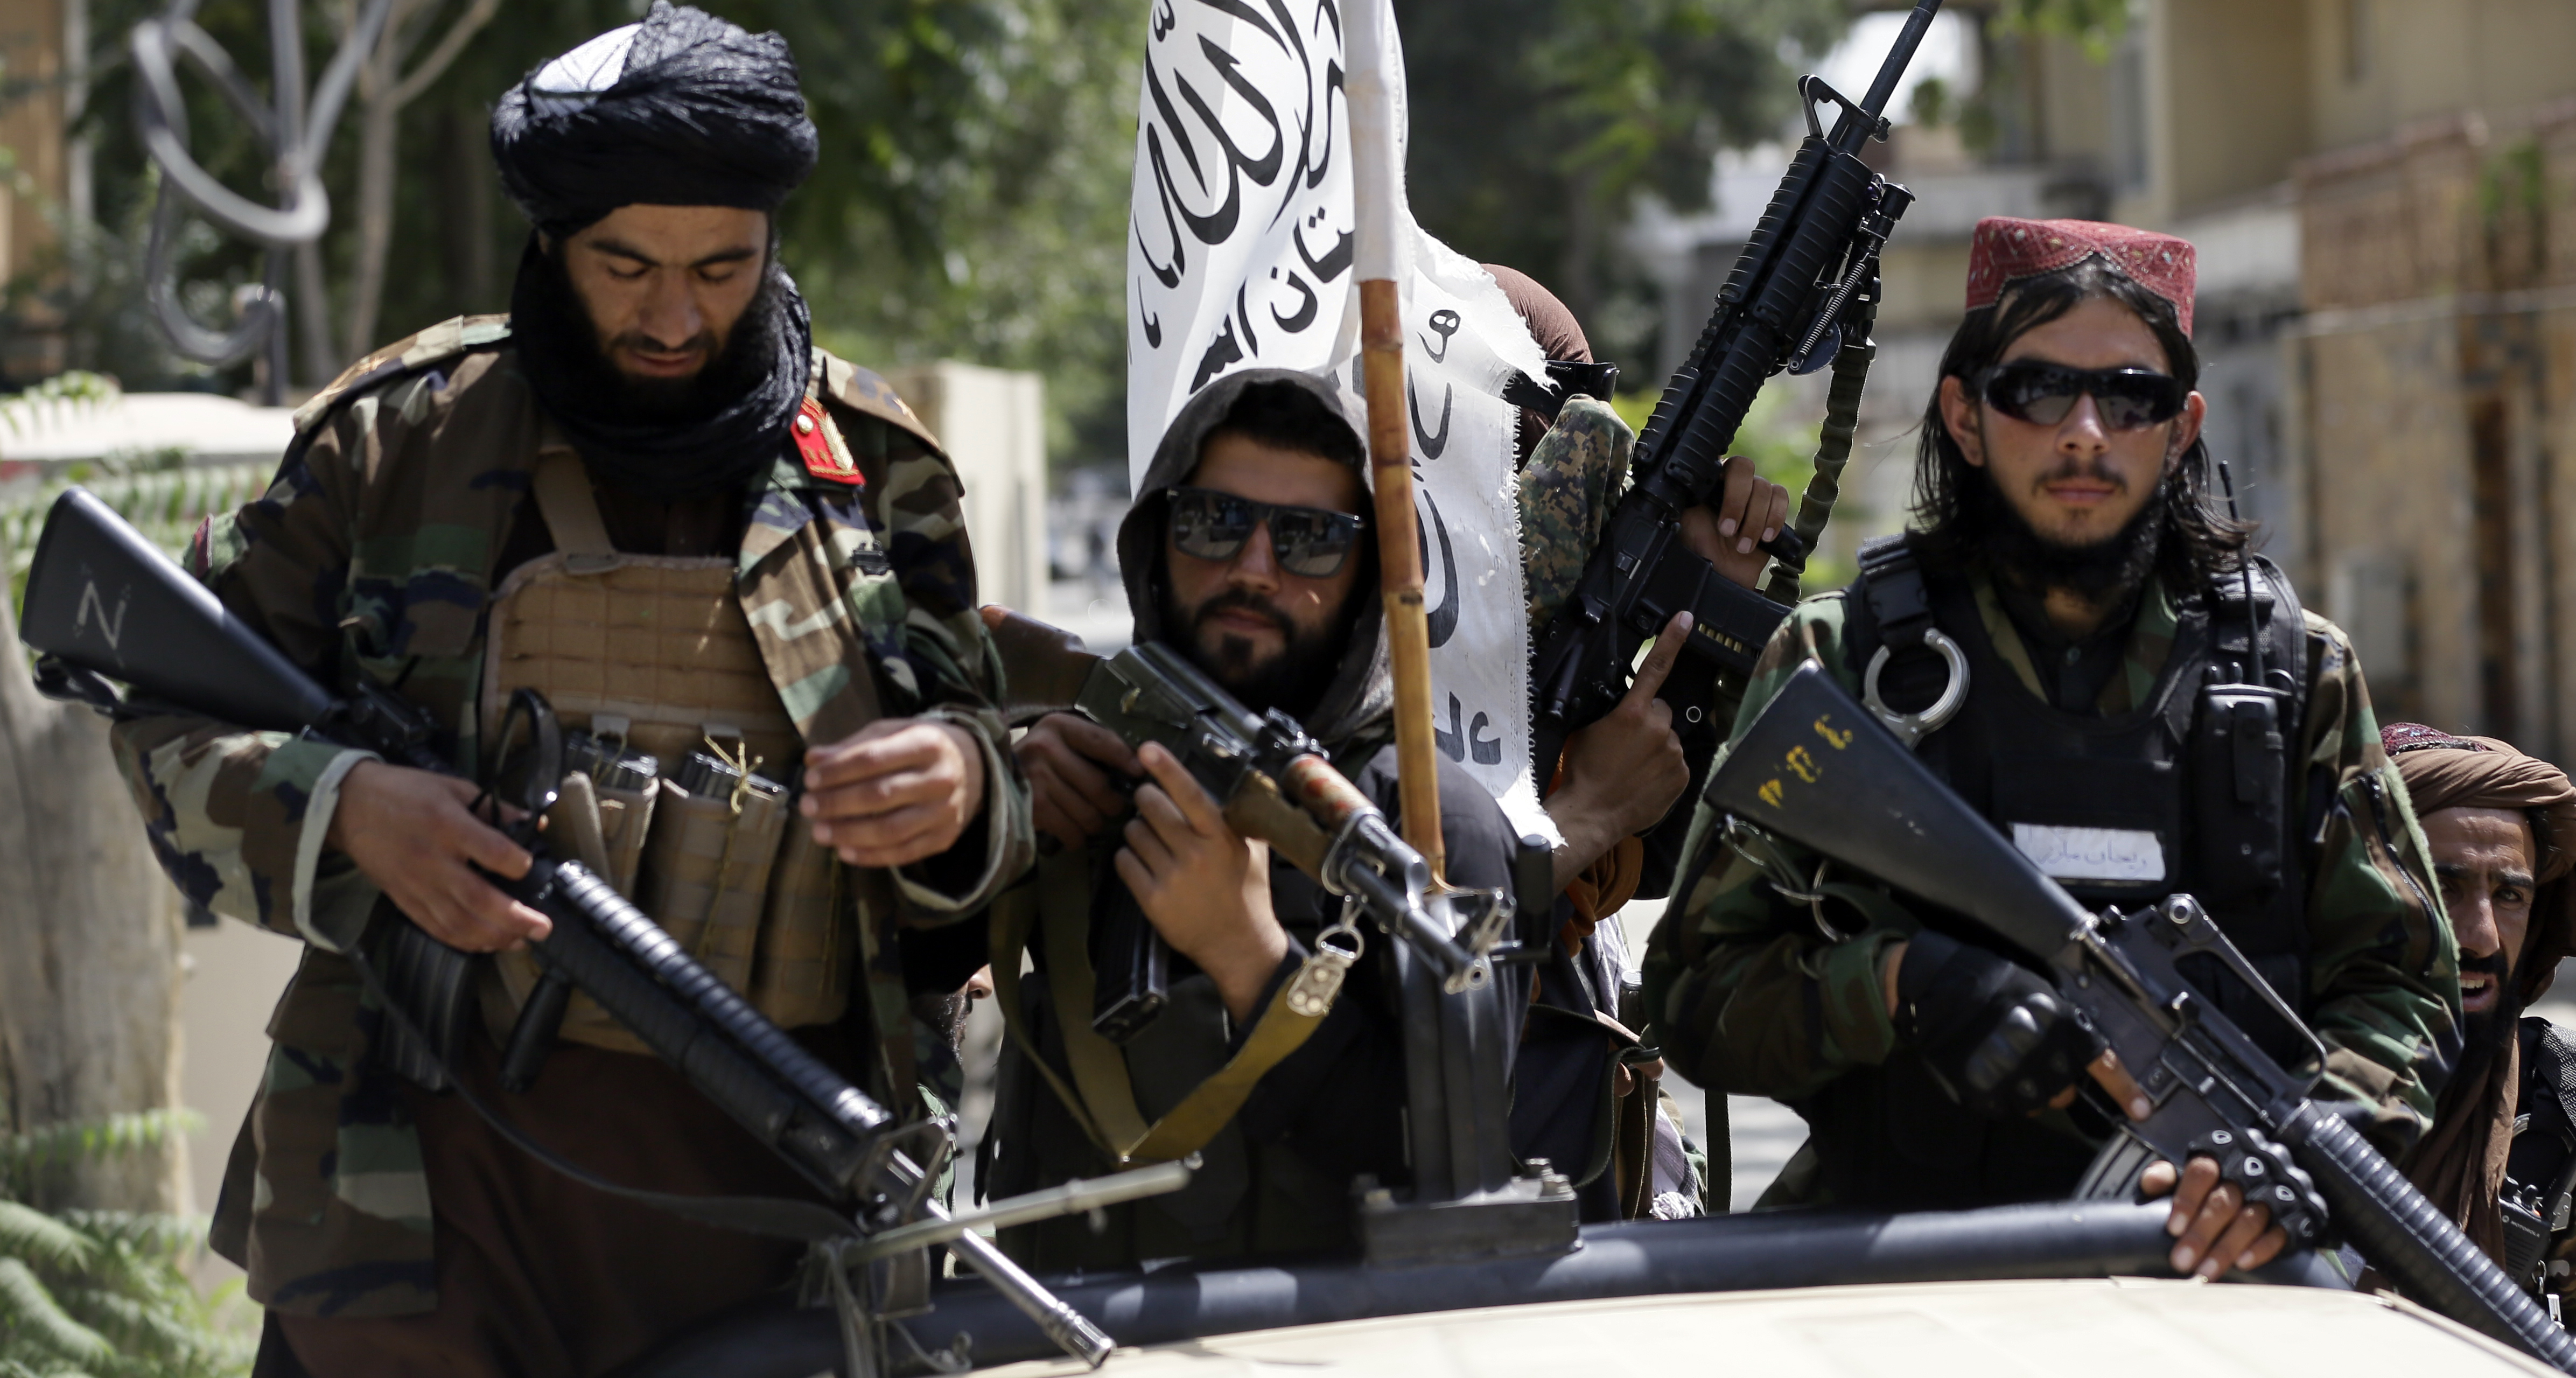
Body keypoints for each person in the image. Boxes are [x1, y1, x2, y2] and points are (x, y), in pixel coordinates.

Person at [109, 3, 1031, 1377]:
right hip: (420, 1212)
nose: (674, 314)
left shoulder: (875, 470)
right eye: (625, 264)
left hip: (783, 1221)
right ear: (551, 241)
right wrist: (347, 806)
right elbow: (168, 717)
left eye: (724, 267)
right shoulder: (394, 440)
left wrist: (960, 790)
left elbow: (994, 801)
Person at [1647, 216, 2457, 1279]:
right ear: (1965, 415)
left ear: (2179, 427)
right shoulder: (1846, 664)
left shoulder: (2293, 677)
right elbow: (1691, 995)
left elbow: (2404, 988)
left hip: (2211, 1281)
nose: (2085, 431)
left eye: (2130, 397)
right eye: (2037, 390)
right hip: (1903, 1279)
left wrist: (2287, 1158)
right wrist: (1900, 983)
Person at [987, 366, 1540, 1269]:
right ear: (1156, 537)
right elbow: (898, 970)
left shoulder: (1430, 831)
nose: (1252, 568)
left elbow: (1446, 1183)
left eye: (1310, 540)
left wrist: (1253, 959)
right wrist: (991, 798)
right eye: (1213, 521)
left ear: (1368, 577)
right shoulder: (1071, 763)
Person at [1487, 262, 1786, 1218]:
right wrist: (1578, 820)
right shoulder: (1354, 664)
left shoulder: (1564, 674)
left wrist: (1706, 640)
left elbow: (1692, 865)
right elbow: (1387, 946)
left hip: (1596, 1162)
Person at [2385, 724, 2576, 1297]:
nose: (2481, 937)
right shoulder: (2246, 1098)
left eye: (2509, 895)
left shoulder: (2560, 1111)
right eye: (2442, 890)